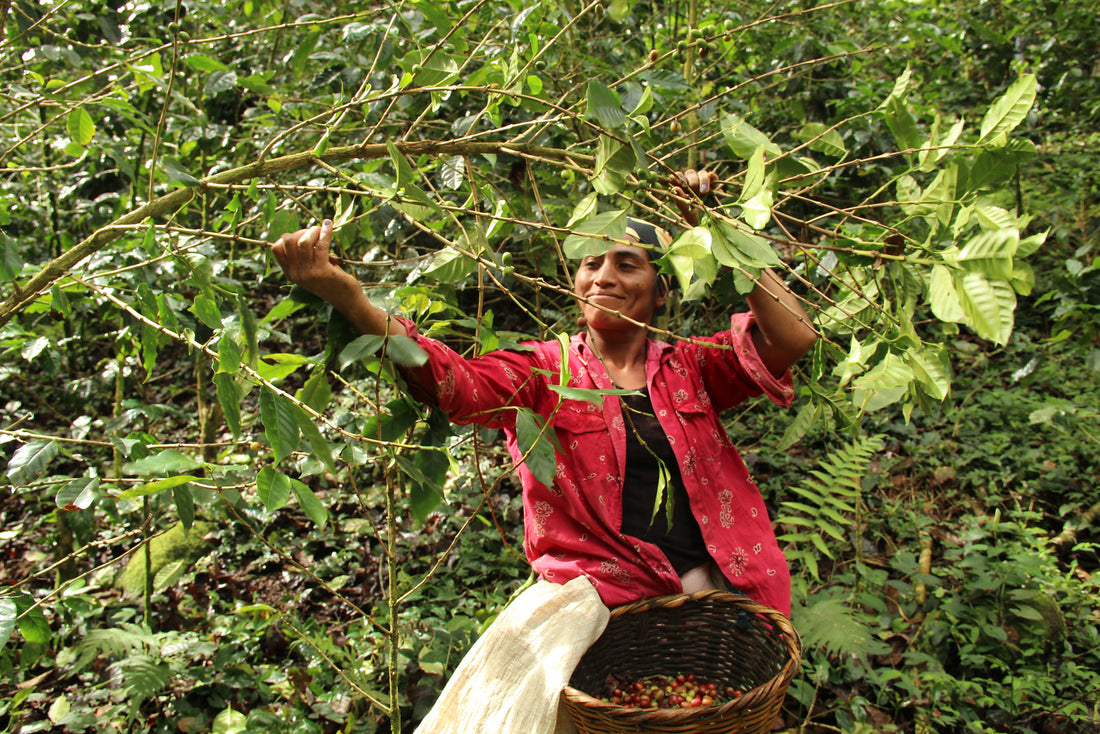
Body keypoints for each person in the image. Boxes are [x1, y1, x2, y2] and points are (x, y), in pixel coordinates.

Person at [269, 169, 817, 732]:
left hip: (707, 617)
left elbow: (792, 336)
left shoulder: (693, 368)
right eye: (591, 263)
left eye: (627, 264)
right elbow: (454, 381)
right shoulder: (542, 373)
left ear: (660, 293)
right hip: (599, 608)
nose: (604, 276)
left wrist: (717, 228)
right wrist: (353, 299)